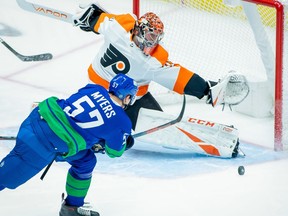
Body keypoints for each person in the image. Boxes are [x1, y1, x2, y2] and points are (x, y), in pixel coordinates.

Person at [72, 4, 249, 158]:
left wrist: (88, 17)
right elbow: (179, 77)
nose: (152, 42)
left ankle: (97, 136)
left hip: (110, 91)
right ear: (140, 31)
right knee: (156, 129)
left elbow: (99, 21)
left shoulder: (119, 26)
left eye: (156, 38)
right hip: (110, 96)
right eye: (150, 36)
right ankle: (98, 139)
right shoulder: (152, 63)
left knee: (163, 125)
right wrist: (206, 89)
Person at [0, 73, 138, 216]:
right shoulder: (122, 122)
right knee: (3, 179)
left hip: (38, 118)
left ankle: (72, 207)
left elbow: (78, 117)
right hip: (44, 144)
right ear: (128, 97)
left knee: (86, 161)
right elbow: (114, 152)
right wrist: (120, 139)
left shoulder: (94, 88)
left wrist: (95, 138)